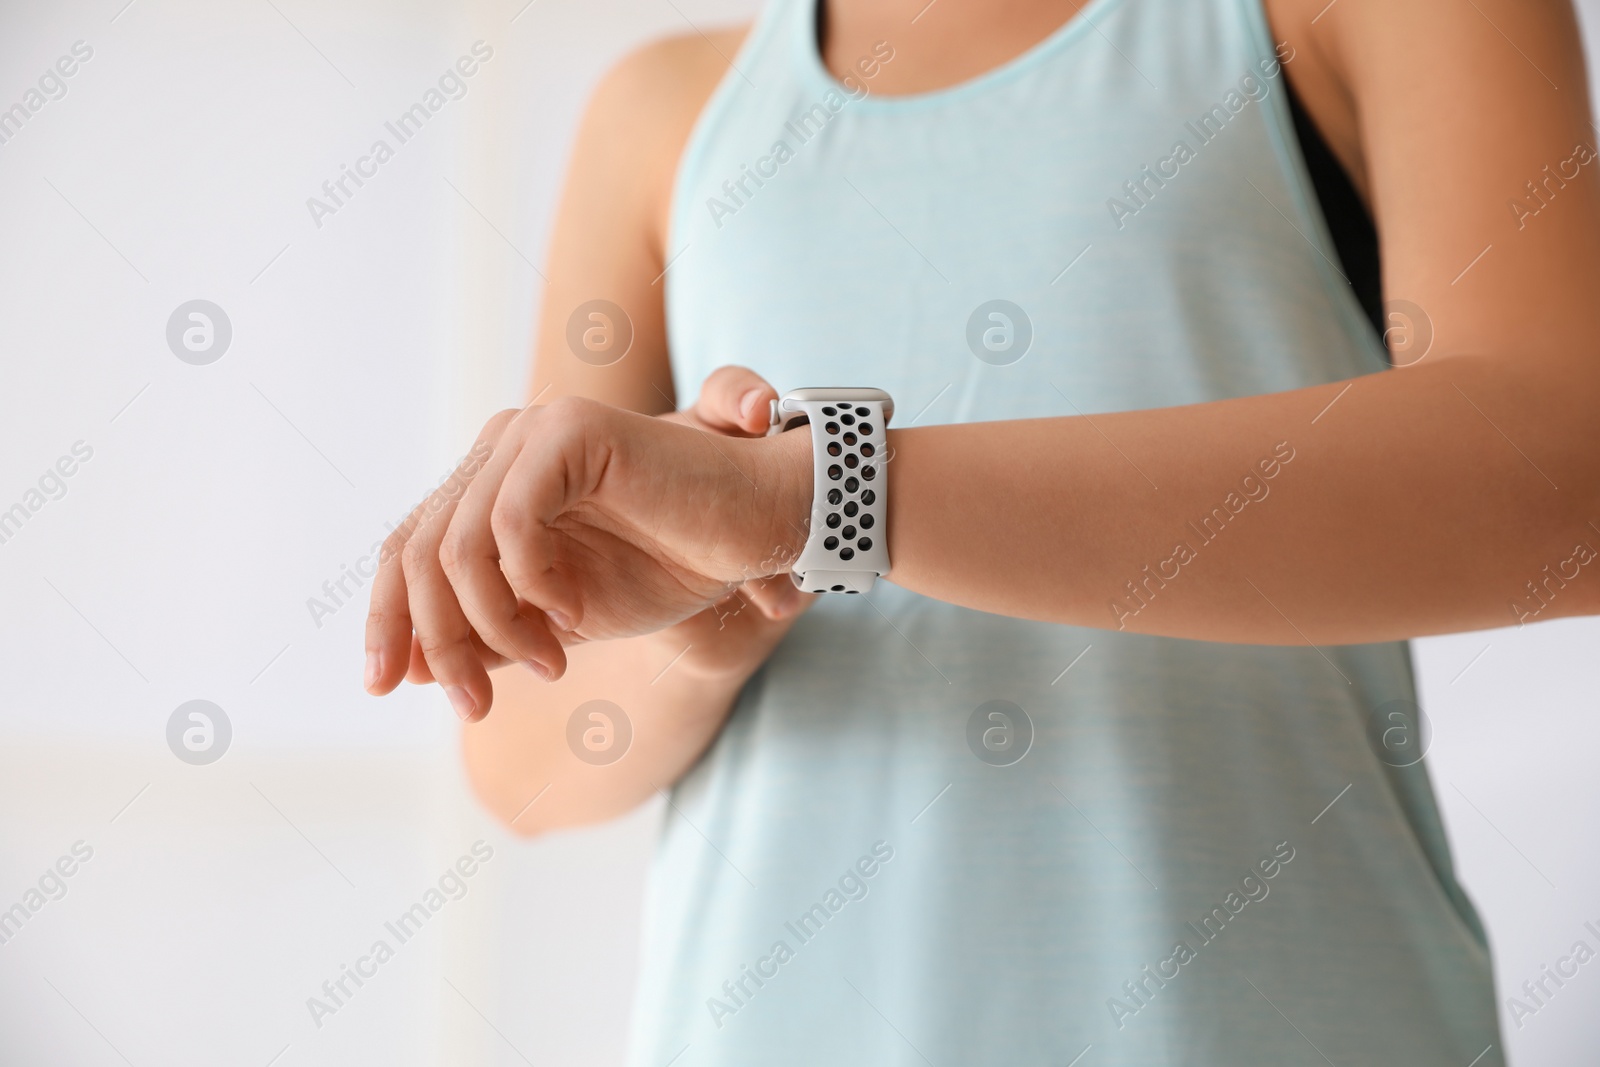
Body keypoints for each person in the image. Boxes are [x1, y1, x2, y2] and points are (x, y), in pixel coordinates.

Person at [365, 0, 1600, 1062]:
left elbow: (1566, 477)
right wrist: (701, 624)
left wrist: (820, 500)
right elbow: (522, 759)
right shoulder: (666, 111)